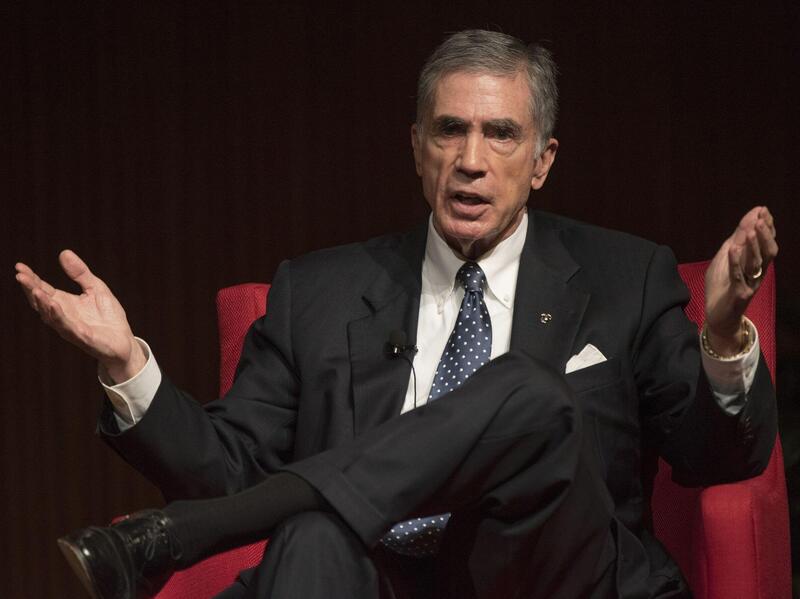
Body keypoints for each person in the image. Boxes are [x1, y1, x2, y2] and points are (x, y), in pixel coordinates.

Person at [16, 30, 778, 599]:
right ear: (417, 148)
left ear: (542, 159)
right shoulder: (318, 291)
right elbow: (229, 465)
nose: (470, 159)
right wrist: (127, 366)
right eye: (449, 130)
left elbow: (718, 460)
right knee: (312, 536)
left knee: (531, 393)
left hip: (551, 572)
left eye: (501, 133)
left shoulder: (625, 275)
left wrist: (719, 337)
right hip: (377, 578)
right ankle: (212, 528)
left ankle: (177, 540)